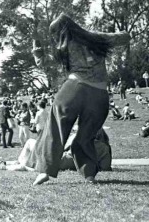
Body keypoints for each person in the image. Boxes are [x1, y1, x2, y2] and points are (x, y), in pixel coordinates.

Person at [28, 13, 129, 185]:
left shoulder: (63, 46)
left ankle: (44, 171)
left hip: (74, 89)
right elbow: (125, 37)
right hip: (99, 95)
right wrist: (113, 31)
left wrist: (36, 49)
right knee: (86, 136)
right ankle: (89, 174)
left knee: (55, 129)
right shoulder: (96, 38)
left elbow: (43, 63)